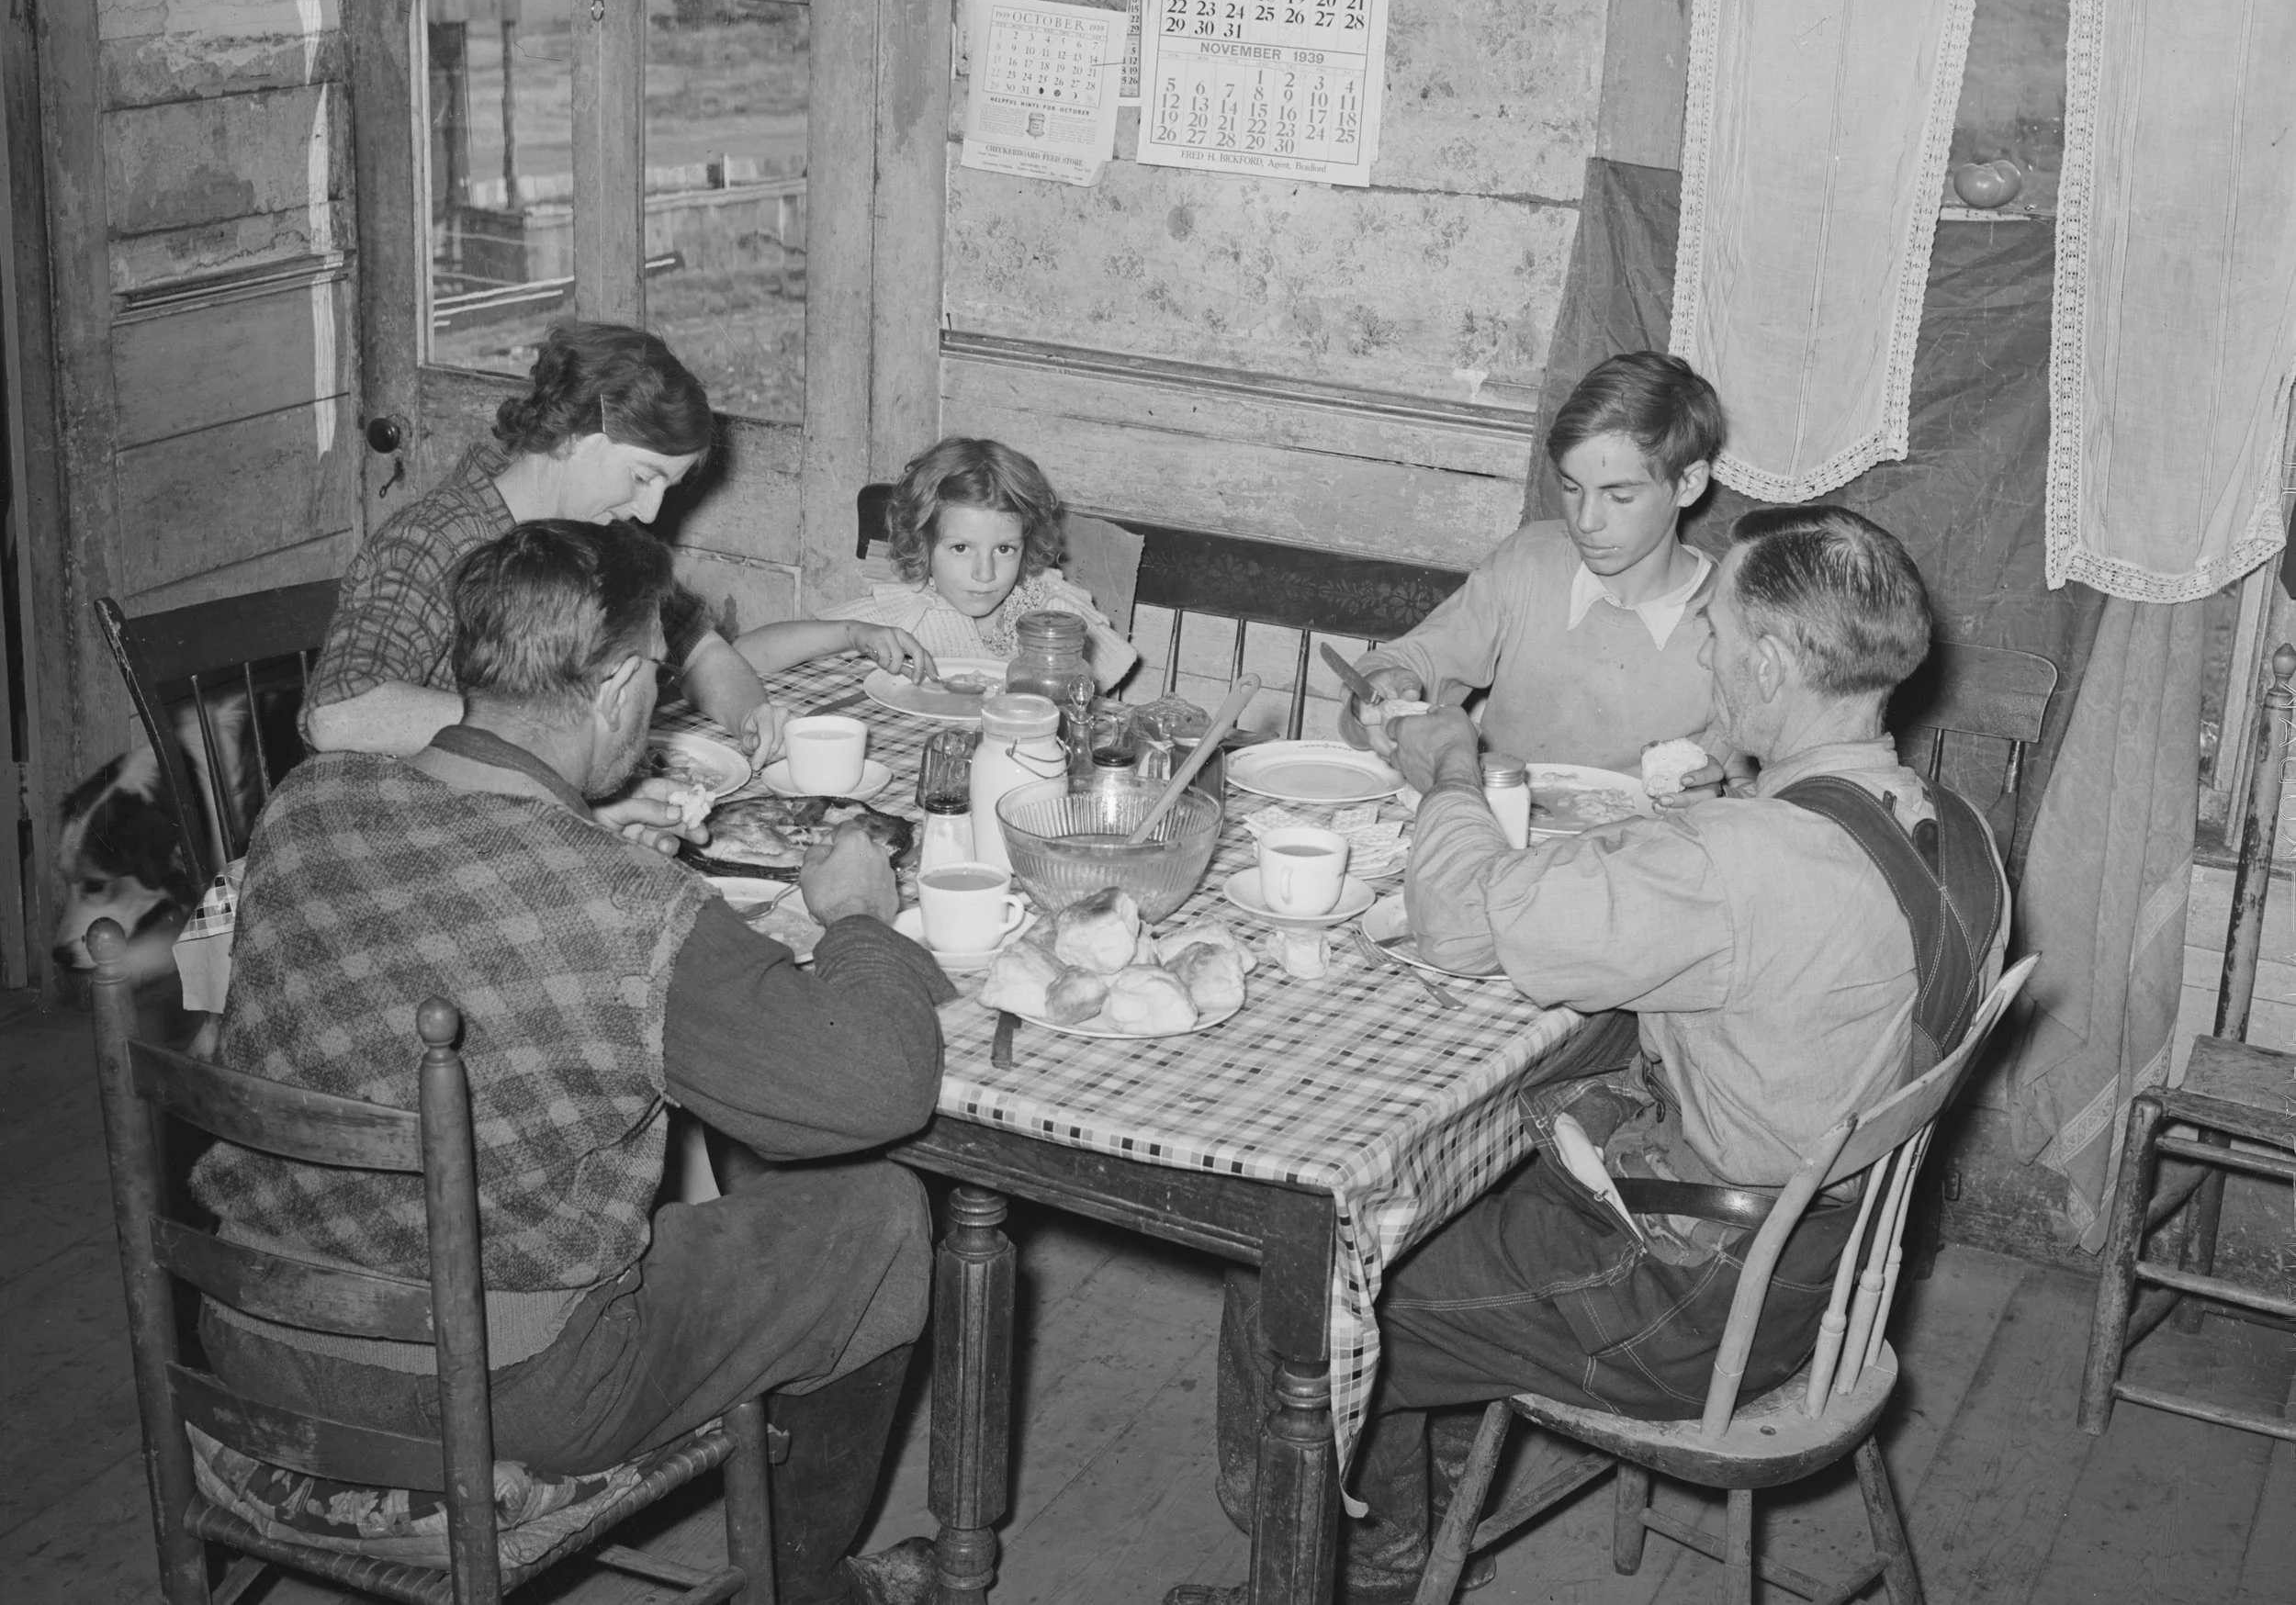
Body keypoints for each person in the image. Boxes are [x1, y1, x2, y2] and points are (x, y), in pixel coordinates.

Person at [1176, 506, 2007, 1605]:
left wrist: (1454, 772)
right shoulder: (1950, 824)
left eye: (1712, 627)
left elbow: (1463, 921)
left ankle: (1349, 1578)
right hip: (1823, 1264)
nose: (1702, 649)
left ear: (1766, 662)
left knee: (1302, 1279)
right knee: (1478, 1140)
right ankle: (1419, 1460)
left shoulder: (1744, 861)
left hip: (1689, 1302)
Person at [194, 520, 952, 1605]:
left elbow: (455, 900)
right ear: (612, 690)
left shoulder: (306, 804)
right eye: (655, 676)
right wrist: (858, 920)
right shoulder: (630, 905)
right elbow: (876, 1087)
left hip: (255, 1333)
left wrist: (585, 823)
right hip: (506, 1384)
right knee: (875, 1213)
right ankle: (812, 1588)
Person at [304, 323, 931, 828]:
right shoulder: (431, 541)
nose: (653, 509)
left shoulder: (601, 541)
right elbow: (337, 715)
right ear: (576, 434)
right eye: (643, 475)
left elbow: (703, 649)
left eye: (669, 483)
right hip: (404, 832)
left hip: (527, 819)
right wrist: (556, 731)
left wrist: (750, 714)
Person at [1340, 352, 1739, 784]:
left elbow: (1743, 791)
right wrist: (1374, 696)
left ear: (1688, 484)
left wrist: (1713, 797)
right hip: (1495, 835)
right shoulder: (1530, 561)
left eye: (1619, 497)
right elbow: (1411, 662)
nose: (1585, 521)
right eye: (1571, 487)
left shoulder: (1734, 622)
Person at [753, 435, 1136, 690]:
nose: (984, 574)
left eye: (1004, 550)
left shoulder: (1051, 615)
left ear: (1027, 544)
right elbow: (746, 654)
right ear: (924, 543)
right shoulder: (912, 613)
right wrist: (852, 633)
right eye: (960, 549)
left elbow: (1102, 691)